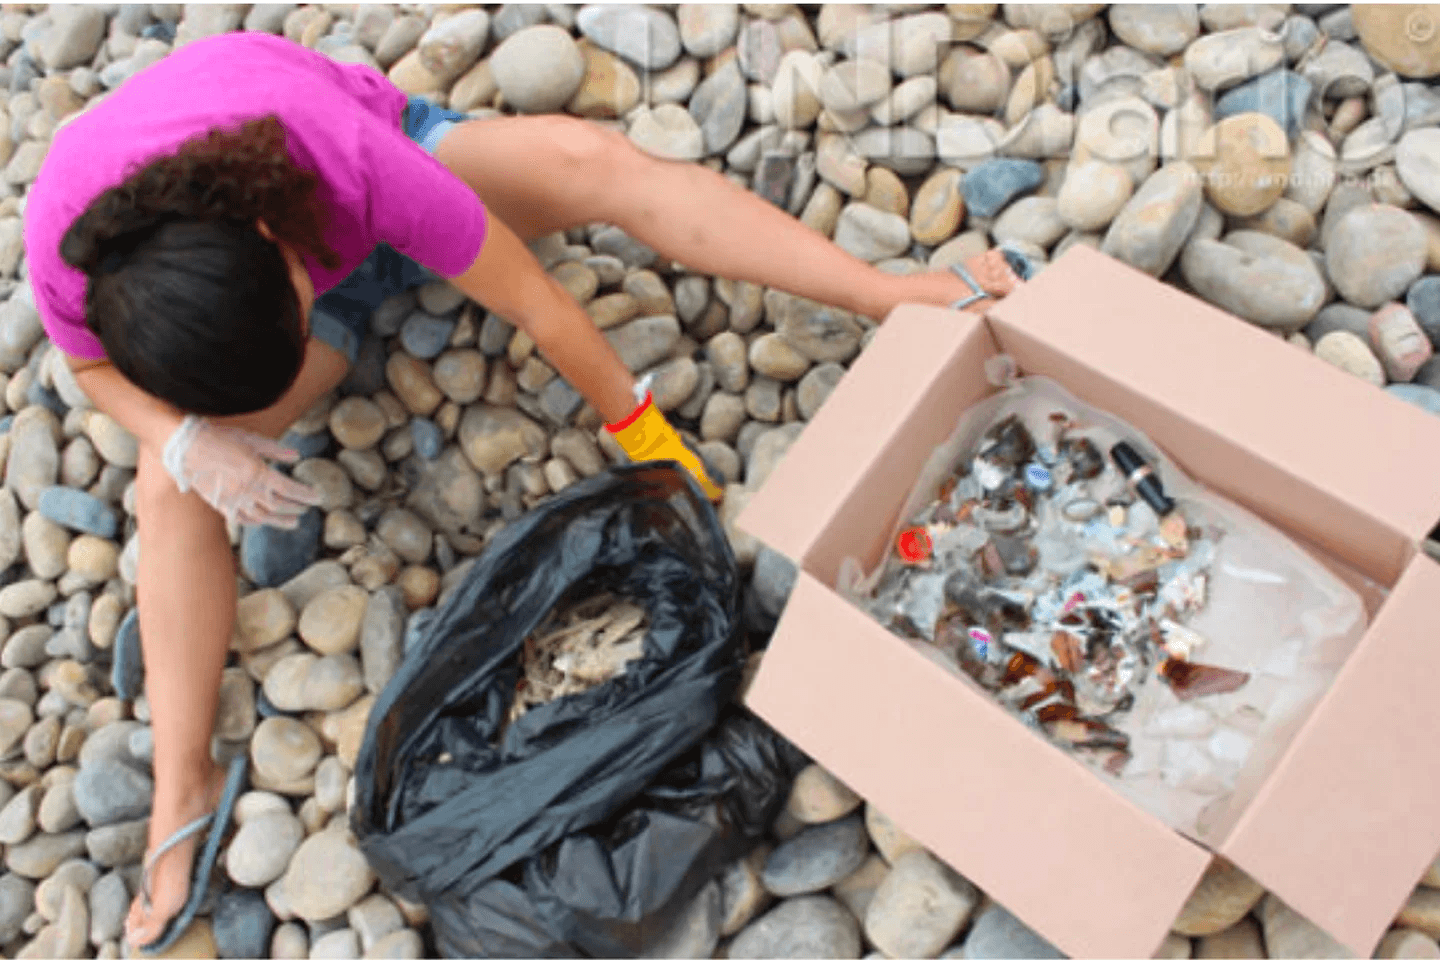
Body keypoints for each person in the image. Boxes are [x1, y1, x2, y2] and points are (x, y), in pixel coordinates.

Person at [23, 30, 1025, 953]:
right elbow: (95, 376)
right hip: (251, 291)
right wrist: (189, 441)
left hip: (379, 175)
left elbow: (535, 301)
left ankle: (884, 290)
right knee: (164, 489)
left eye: (297, 308)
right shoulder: (76, 250)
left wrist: (647, 438)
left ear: (263, 228)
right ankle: (180, 783)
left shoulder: (340, 157)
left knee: (599, 165)